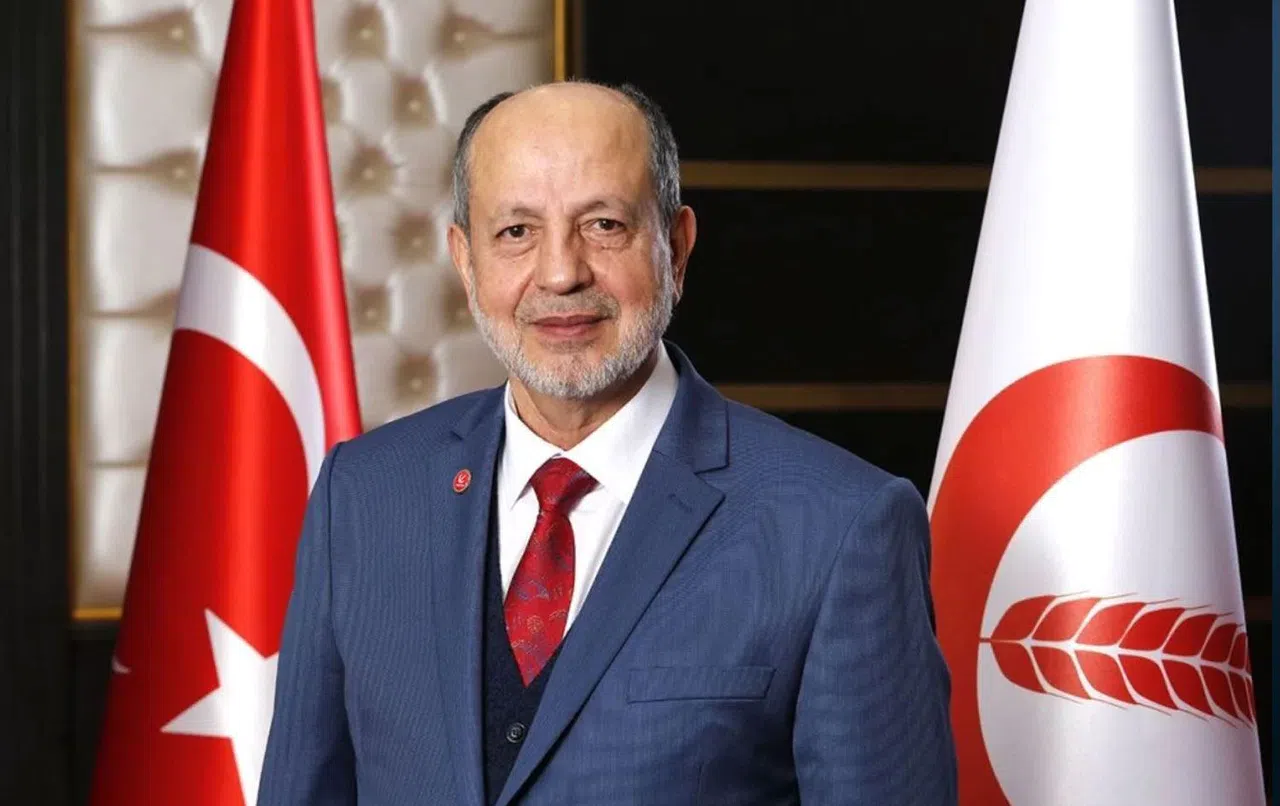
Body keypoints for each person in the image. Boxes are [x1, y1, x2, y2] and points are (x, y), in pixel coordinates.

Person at [257, 80, 957, 805]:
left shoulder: (840, 527)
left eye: (603, 225)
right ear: (465, 261)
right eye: (516, 231)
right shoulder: (363, 495)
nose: (561, 273)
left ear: (675, 249)